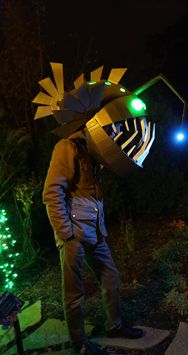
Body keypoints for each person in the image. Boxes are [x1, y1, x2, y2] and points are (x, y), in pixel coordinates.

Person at [43, 129, 144, 354]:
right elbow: (52, 192)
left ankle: (114, 326)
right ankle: (80, 343)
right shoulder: (68, 146)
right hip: (74, 233)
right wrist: (65, 232)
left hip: (96, 231)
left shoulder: (95, 147)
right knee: (74, 292)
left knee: (111, 276)